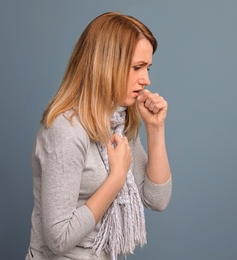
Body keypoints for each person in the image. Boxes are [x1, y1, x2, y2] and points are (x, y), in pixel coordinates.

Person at [25, 12, 172, 260]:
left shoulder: (117, 122)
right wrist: (115, 179)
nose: (146, 79)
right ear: (106, 65)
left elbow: (156, 199)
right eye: (137, 67)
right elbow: (58, 238)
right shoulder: (65, 130)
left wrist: (155, 129)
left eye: (147, 67)